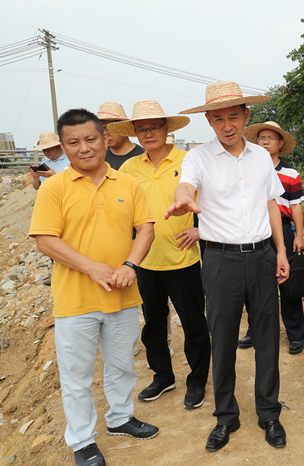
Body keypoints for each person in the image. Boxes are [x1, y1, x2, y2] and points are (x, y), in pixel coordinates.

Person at [29, 109, 158, 466]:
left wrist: (131, 264)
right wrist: (94, 268)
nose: (84, 148)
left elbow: (145, 229)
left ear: (105, 138)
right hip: (75, 301)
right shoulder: (53, 188)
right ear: (63, 147)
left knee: (122, 366)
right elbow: (44, 240)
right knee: (76, 377)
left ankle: (120, 418)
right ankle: (83, 441)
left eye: (90, 139)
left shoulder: (128, 183)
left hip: (123, 295)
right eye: (73, 143)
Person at [165, 81, 289, 452]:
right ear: (209, 120)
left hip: (263, 256)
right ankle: (225, 416)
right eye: (218, 118)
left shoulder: (260, 157)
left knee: (267, 338)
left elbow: (272, 205)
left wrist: (281, 252)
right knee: (222, 339)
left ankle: (269, 413)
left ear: (246, 116)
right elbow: (185, 187)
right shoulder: (198, 157)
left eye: (234, 116)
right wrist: (184, 200)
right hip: (220, 260)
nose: (227, 125)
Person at [109, 100, 211, 409]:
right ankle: (163, 376)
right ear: (136, 134)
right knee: (153, 324)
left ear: (167, 128)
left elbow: (214, 201)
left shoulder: (189, 160)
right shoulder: (129, 168)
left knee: (194, 323)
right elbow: (120, 209)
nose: (149, 133)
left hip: (183, 260)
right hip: (145, 262)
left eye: (155, 127)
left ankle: (197, 380)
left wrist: (199, 229)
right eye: (142, 129)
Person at [239, 121, 304, 354]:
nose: (265, 142)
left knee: (288, 285)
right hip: (255, 233)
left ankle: (295, 334)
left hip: (284, 233)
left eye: (270, 138)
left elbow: (296, 206)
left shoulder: (290, 173)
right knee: (255, 286)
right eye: (261, 138)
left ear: (280, 144)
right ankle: (254, 332)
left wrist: (299, 235)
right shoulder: (247, 170)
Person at [97, 102, 145, 170]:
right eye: (102, 129)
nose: (106, 134)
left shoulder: (143, 157)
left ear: (123, 128)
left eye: (110, 128)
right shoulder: (100, 159)